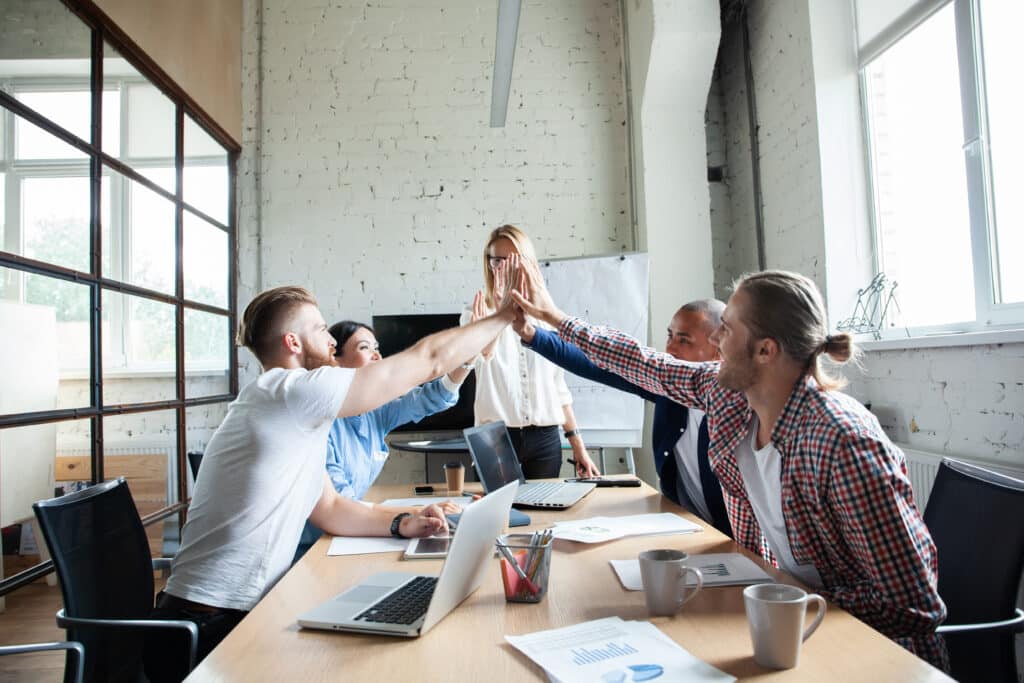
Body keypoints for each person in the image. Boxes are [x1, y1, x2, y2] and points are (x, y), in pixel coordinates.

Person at [512, 267, 948, 670]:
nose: (717, 339)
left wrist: (788, 601)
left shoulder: (841, 441)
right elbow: (642, 362)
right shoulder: (729, 398)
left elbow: (912, 605)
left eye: (728, 328)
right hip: (788, 627)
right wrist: (553, 316)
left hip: (871, 655)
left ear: (765, 350)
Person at [146, 276, 520, 681]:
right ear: (293, 343)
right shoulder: (289, 391)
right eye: (321, 329)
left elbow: (330, 508)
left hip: (243, 612)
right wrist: (502, 317)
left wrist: (403, 521)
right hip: (206, 630)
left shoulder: (294, 414)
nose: (330, 339)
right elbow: (426, 359)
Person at [514, 299, 733, 536]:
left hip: (731, 541)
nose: (669, 349)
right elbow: (597, 365)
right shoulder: (667, 390)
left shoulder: (733, 406)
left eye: (683, 340)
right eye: (669, 336)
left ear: (719, 349)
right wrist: (532, 334)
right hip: (688, 529)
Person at [293, 320, 470, 560]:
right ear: (336, 360)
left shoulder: (374, 411)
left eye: (377, 347)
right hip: (313, 549)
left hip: (350, 535)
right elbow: (340, 503)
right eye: (365, 348)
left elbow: (432, 398)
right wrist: (414, 513)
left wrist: (469, 360)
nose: (377, 355)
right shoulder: (321, 422)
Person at [462, 225, 599, 479]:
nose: (504, 267)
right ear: (489, 264)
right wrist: (502, 312)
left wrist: (578, 446)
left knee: (544, 513)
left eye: (512, 260)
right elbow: (483, 355)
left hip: (545, 436)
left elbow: (558, 387)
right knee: (498, 516)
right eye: (497, 261)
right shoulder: (476, 314)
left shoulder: (546, 318)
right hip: (494, 437)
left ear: (527, 263)